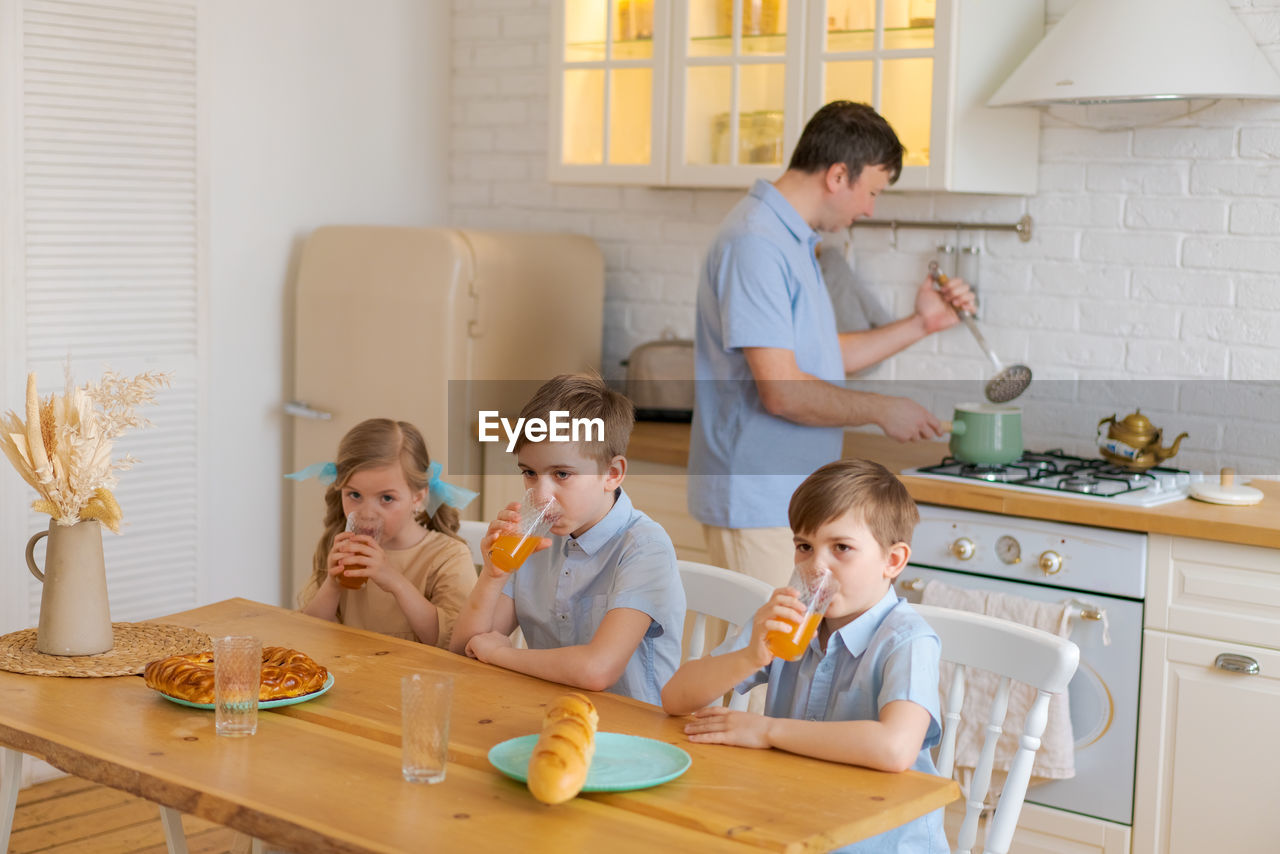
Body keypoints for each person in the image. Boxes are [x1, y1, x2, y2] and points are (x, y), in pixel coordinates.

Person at [688, 100, 976, 591]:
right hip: (756, 505)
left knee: (779, 661)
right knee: (757, 663)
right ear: (838, 175)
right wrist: (881, 410)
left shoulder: (791, 240)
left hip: (789, 501)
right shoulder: (756, 242)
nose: (870, 208)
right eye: (872, 192)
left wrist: (922, 324)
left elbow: (816, 359)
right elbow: (783, 390)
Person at [662, 458, 946, 853]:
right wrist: (748, 655)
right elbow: (675, 698)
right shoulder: (787, 619)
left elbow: (894, 748)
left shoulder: (907, 640)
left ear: (892, 561)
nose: (817, 567)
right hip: (798, 825)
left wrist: (766, 731)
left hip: (878, 842)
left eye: (841, 548)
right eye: (804, 547)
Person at [449, 373, 685, 706]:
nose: (541, 494)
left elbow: (597, 670)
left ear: (612, 474)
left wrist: (503, 654)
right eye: (529, 473)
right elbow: (464, 649)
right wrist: (492, 576)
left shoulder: (644, 548)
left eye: (562, 474)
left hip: (633, 736)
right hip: (548, 715)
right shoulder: (534, 540)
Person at [296, 418, 478, 649]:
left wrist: (393, 581)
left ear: (418, 497)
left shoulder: (448, 556)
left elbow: (454, 644)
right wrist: (332, 584)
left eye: (387, 498)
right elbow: (307, 633)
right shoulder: (342, 548)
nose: (367, 514)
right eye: (354, 495)